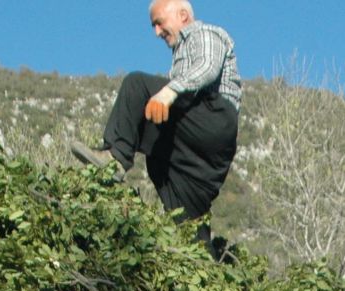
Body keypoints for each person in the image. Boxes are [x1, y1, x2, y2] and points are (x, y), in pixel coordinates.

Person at [71, 0, 240, 252]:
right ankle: (199, 256)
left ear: (183, 15)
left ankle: (115, 157)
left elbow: (206, 67)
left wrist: (168, 91)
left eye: (159, 23)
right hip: (204, 153)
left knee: (137, 85)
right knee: (158, 158)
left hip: (215, 118)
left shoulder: (204, 34)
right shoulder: (179, 57)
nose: (157, 32)